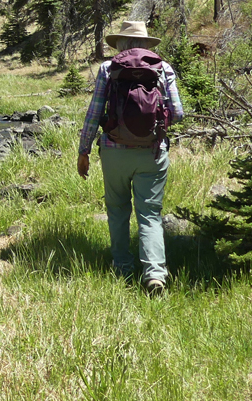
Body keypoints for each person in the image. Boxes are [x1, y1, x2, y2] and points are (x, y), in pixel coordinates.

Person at [77, 20, 184, 294]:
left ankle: (122, 267)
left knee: (117, 210)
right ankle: (155, 274)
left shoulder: (107, 68)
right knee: (149, 214)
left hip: (114, 151)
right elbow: (178, 112)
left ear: (120, 44)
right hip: (152, 152)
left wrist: (84, 150)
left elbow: (93, 112)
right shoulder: (164, 68)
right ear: (147, 44)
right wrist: (156, 129)